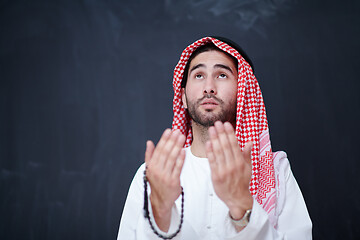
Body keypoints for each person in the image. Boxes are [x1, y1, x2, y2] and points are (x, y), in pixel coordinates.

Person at [117, 36, 312, 239]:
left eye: (222, 75)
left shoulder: (276, 172)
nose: (209, 87)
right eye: (199, 75)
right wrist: (161, 214)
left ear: (242, 92)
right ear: (182, 96)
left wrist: (242, 206)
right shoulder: (155, 174)